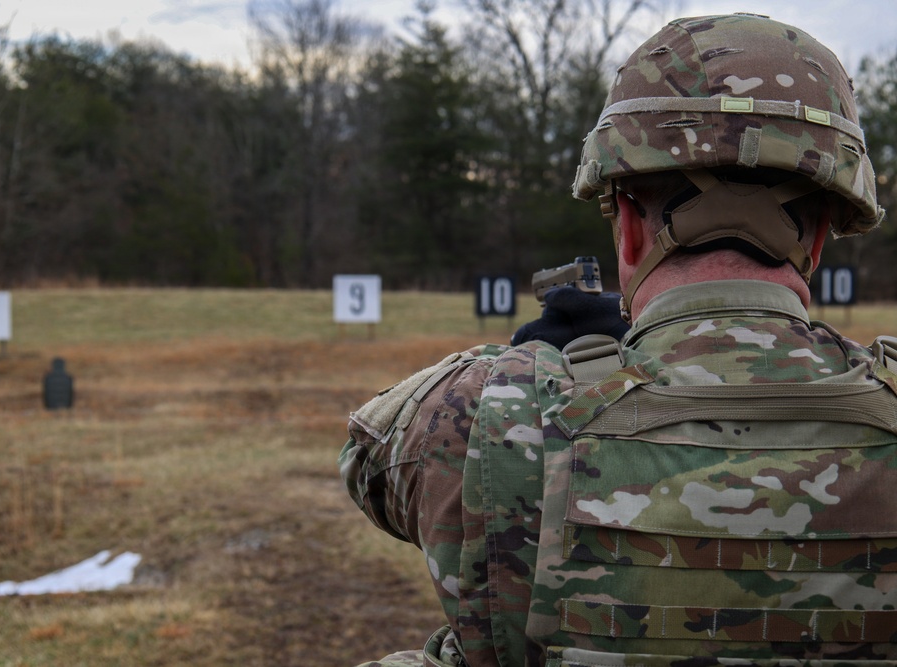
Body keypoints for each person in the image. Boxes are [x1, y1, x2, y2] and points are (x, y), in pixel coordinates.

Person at [340, 13, 897, 667]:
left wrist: (527, 365)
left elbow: (367, 458)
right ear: (821, 237)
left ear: (628, 227)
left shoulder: (496, 417)